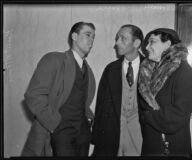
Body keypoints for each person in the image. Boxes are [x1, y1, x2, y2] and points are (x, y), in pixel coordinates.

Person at [21, 21, 96, 156]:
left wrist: (89, 118)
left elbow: (81, 101)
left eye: (93, 37)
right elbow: (34, 95)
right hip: (60, 131)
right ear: (74, 36)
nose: (91, 40)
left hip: (83, 133)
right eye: (87, 35)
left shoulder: (88, 71)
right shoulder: (54, 59)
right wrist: (54, 123)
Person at [138, 28, 192, 157]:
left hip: (171, 148)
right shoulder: (149, 70)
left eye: (152, 42)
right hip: (151, 145)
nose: (147, 47)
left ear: (168, 44)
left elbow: (176, 117)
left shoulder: (183, 71)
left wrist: (147, 114)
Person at [91, 24, 144, 156]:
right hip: (112, 135)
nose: (117, 43)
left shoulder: (151, 68)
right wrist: (97, 138)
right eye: (117, 38)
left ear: (136, 43)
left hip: (141, 136)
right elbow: (100, 106)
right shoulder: (110, 69)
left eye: (122, 38)